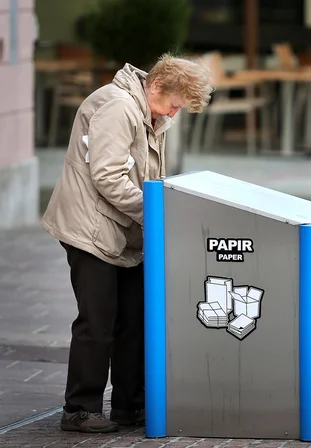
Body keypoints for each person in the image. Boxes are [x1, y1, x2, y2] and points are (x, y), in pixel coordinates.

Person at [41, 53, 213, 433]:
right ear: (156, 86)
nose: (173, 114)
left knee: (133, 320)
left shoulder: (150, 110)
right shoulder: (117, 107)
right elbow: (107, 177)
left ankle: (129, 405)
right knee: (98, 322)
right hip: (90, 230)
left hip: (125, 230)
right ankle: (80, 409)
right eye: (173, 104)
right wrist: (157, 213)